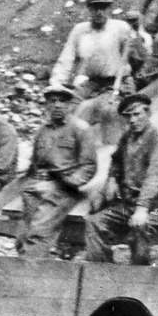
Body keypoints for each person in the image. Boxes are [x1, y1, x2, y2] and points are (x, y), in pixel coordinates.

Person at [84, 94, 158, 265]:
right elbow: (117, 160)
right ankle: (98, 274)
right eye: (127, 116)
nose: (132, 120)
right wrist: (111, 179)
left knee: (140, 226)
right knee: (94, 222)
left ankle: (139, 277)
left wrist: (142, 208)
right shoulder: (127, 138)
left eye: (137, 114)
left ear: (148, 113)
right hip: (128, 204)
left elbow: (156, 174)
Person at [17, 85, 103, 258]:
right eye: (52, 101)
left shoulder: (80, 129)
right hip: (35, 186)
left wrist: (70, 182)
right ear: (47, 105)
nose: (57, 105)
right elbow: (34, 163)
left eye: (62, 101)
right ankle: (36, 266)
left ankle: (29, 276)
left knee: (39, 231)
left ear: (70, 105)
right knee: (22, 236)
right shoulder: (43, 131)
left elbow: (89, 166)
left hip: (62, 188)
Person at [48, 0, 135, 100]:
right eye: (95, 8)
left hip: (119, 80)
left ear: (109, 9)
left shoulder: (121, 28)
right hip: (93, 82)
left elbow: (132, 55)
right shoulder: (79, 30)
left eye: (103, 8)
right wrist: (57, 83)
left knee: (129, 107)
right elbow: (66, 58)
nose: (99, 12)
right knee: (72, 105)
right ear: (89, 9)